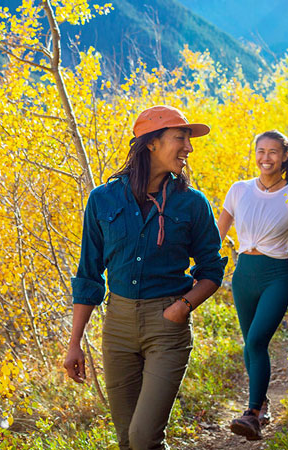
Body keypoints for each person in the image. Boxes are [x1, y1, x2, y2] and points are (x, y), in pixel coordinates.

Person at [63, 105, 227, 450]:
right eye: (180, 138)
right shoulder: (102, 199)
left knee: (144, 437)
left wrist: (183, 307)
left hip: (167, 326)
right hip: (118, 327)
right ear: (151, 143)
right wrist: (74, 342)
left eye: (188, 139)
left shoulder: (192, 204)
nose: (188, 147)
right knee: (126, 440)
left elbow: (212, 269)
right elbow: (88, 274)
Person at [217, 130, 288, 441]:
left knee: (257, 342)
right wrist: (196, 267)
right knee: (250, 345)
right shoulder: (239, 190)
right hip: (243, 276)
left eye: (272, 152)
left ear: (285, 156)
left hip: (276, 277)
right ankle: (262, 404)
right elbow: (217, 233)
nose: (265, 157)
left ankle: (252, 415)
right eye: (260, 151)